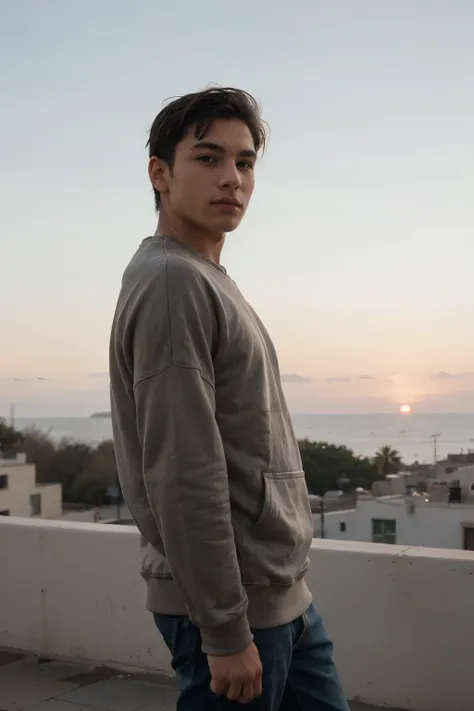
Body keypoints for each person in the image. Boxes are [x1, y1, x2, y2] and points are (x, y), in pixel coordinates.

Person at [109, 87, 349, 710]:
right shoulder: (172, 281)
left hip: (280, 600)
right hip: (233, 612)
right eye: (209, 158)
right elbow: (182, 471)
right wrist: (222, 629)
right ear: (160, 174)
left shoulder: (205, 277)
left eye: (244, 163)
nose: (232, 179)